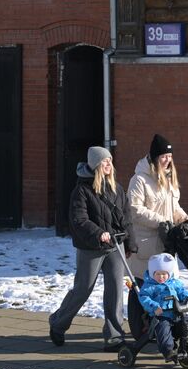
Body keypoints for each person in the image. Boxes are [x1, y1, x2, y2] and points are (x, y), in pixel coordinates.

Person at [49, 146, 136, 349]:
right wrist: (98, 233)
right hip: (91, 247)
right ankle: (58, 323)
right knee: (83, 289)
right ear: (95, 164)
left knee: (115, 290)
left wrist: (130, 242)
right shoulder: (82, 190)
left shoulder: (117, 188)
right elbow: (79, 220)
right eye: (104, 161)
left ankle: (115, 335)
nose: (108, 164)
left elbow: (127, 217)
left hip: (115, 245)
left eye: (110, 160)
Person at [137, 252, 188, 361]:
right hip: (161, 315)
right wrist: (154, 307)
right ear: (153, 273)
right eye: (158, 274)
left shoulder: (174, 283)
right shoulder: (150, 286)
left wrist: (187, 297)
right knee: (163, 330)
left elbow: (181, 292)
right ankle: (168, 351)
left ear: (169, 273)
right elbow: (144, 298)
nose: (161, 277)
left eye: (164, 274)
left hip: (177, 313)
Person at [128, 133, 187, 264]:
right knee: (147, 283)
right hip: (147, 246)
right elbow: (135, 210)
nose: (168, 160)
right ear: (155, 157)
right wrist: (162, 221)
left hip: (167, 242)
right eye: (164, 156)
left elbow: (174, 207)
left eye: (170, 156)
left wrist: (186, 221)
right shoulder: (139, 180)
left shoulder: (169, 179)